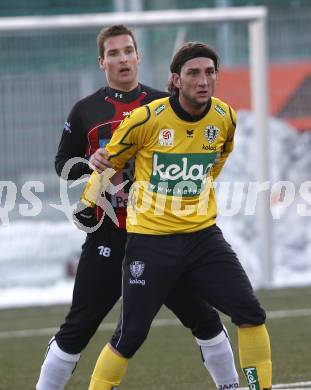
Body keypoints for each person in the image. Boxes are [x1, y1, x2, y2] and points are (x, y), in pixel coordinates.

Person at [36, 26, 239, 390]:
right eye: (114, 53)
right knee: (78, 328)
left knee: (205, 320)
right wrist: (92, 163)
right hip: (109, 235)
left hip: (164, 238)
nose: (123, 58)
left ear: (138, 56)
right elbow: (62, 165)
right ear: (102, 62)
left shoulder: (167, 104)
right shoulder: (86, 110)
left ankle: (231, 385)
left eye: (129, 50)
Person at [83, 42, 272, 390]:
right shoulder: (146, 119)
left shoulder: (224, 117)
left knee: (250, 313)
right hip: (150, 244)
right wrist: (94, 185)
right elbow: (109, 163)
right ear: (175, 79)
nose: (203, 80)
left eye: (210, 72)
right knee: (131, 335)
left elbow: (216, 162)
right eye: (193, 73)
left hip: (203, 238)